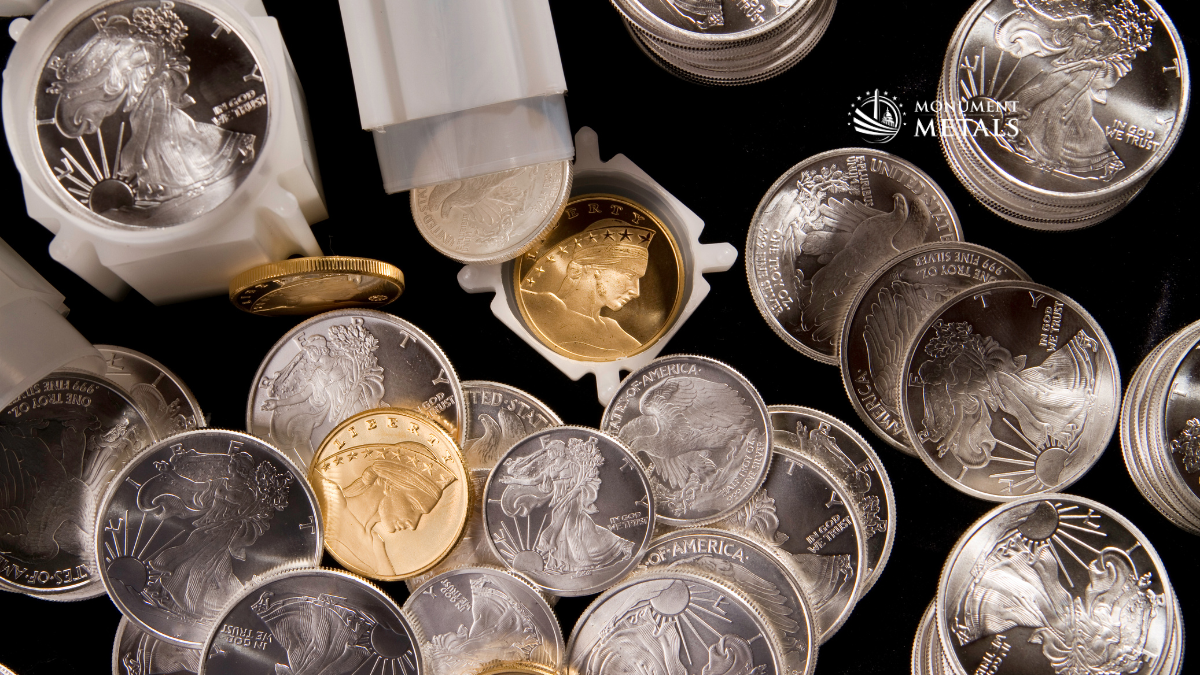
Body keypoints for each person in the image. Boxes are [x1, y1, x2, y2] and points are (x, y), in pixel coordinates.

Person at [47, 2, 257, 216]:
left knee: (166, 135)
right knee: (161, 137)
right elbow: (128, 77)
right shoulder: (147, 50)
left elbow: (131, 76)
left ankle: (179, 182)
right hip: (149, 100)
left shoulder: (146, 51)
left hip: (154, 99)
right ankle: (173, 185)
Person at [993, 0, 1155, 180]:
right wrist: (1029, 6)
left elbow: (1113, 62)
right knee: (1053, 105)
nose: (1096, 8)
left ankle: (1048, 160)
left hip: (1082, 75)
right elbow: (1051, 21)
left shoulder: (1113, 35)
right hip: (1064, 68)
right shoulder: (1081, 21)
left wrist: (1094, 63)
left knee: (1060, 112)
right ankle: (1030, 143)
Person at [319, 444, 458, 578]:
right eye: (413, 507)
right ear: (388, 485)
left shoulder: (377, 548)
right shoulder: (325, 496)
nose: (413, 524)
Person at [520, 221, 655, 359]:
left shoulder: (620, 337)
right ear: (595, 270)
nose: (636, 292)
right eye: (629, 275)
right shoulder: (536, 307)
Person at [499, 436, 633, 574]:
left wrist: (575, 491)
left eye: (550, 451)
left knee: (570, 530)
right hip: (559, 501)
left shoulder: (572, 466)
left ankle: (584, 564)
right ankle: (617, 545)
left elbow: (583, 483)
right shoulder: (551, 469)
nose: (548, 454)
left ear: (557, 451)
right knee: (582, 528)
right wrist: (513, 481)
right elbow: (533, 481)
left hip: (572, 500)